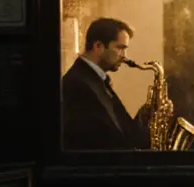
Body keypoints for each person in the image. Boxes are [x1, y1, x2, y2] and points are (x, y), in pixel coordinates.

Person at [62, 17, 149, 150]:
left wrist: (147, 112)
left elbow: (122, 130)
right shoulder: (78, 84)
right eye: (120, 48)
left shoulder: (97, 79)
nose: (125, 56)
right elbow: (107, 140)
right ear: (98, 46)